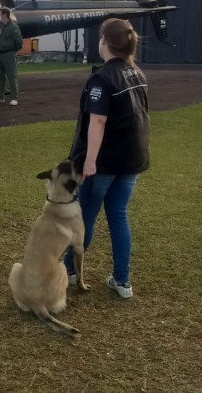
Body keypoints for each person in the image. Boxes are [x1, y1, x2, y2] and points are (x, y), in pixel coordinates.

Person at [62, 18, 150, 299]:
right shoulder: (136, 72)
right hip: (131, 160)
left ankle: (68, 272)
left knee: (84, 218)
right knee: (118, 215)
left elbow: (97, 122)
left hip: (105, 163)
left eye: (100, 38)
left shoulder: (103, 77)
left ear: (105, 42)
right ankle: (122, 281)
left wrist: (89, 161)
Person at [0, 7, 23, 105]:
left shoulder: (13, 27)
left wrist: (13, 51)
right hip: (1, 53)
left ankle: (14, 98)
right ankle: (0, 97)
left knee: (12, 76)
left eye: (0, 14)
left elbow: (19, 42)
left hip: (9, 53)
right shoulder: (2, 26)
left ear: (5, 15)